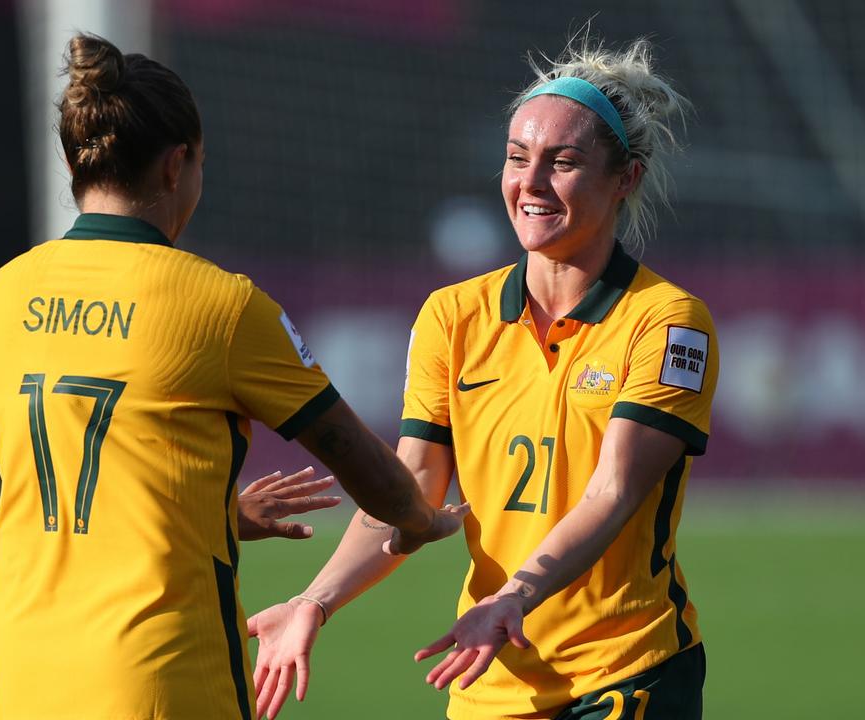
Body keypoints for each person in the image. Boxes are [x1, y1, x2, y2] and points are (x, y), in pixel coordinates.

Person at [0, 34, 467, 720]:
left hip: (30, 679)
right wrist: (421, 520)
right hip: (163, 680)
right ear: (177, 164)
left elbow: (74, 488)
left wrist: (219, 515)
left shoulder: (4, 294)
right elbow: (373, 474)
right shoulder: (221, 305)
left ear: (70, 161)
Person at [250, 34, 715, 720]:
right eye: (517, 158)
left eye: (563, 163)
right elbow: (408, 492)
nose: (530, 183)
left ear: (627, 179)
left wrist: (516, 596)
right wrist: (313, 602)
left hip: (627, 672)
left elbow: (612, 492)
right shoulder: (451, 316)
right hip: (490, 674)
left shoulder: (669, 321)